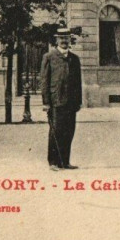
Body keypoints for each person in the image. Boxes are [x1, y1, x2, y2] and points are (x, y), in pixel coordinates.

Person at [41, 27, 82, 171]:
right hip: (56, 100)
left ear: (70, 40)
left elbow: (78, 82)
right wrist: (46, 102)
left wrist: (78, 101)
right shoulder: (49, 57)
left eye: (67, 38)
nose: (64, 41)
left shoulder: (74, 59)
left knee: (69, 131)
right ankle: (53, 162)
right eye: (61, 38)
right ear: (57, 40)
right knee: (56, 131)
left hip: (71, 102)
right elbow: (44, 81)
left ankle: (65, 161)